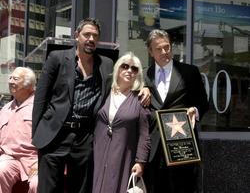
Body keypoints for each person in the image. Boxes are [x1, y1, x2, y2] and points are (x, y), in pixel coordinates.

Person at [32, 18, 150, 193]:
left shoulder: (105, 63)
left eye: (95, 36)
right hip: (54, 136)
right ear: (76, 36)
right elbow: (41, 98)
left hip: (84, 138)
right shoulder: (57, 58)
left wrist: (145, 86)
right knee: (48, 189)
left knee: (80, 188)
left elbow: (128, 72)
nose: (91, 39)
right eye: (87, 34)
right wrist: (37, 134)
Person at [144, 29, 209, 193]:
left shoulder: (190, 72)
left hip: (181, 146)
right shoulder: (143, 75)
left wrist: (195, 110)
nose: (165, 52)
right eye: (158, 49)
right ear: (150, 51)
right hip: (153, 148)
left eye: (167, 47)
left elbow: (203, 103)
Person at [92, 52, 151, 193]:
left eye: (134, 68)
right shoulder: (105, 91)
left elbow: (145, 135)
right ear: (118, 69)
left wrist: (140, 162)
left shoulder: (140, 99)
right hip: (97, 153)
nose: (129, 71)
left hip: (124, 156)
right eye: (125, 66)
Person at [0, 67, 38, 193]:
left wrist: (41, 161)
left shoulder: (40, 106)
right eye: (10, 77)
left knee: (37, 184)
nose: (10, 81)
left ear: (28, 85)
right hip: (9, 156)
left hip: (34, 159)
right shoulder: (6, 108)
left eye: (15, 78)